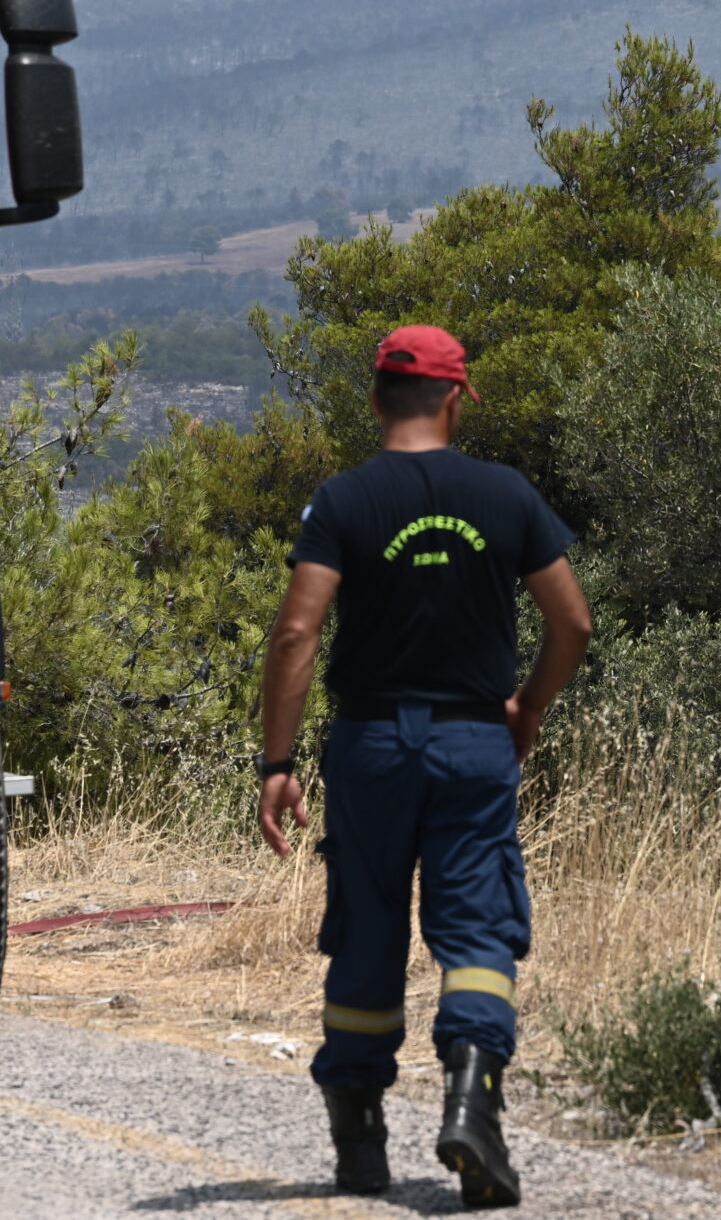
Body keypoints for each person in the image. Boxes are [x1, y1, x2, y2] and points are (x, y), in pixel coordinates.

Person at [254, 324, 593, 1208]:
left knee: (365, 926)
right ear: (454, 399)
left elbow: (297, 632)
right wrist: (527, 707)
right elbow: (574, 623)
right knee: (478, 928)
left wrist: (277, 761)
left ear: (375, 399)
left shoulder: (344, 500)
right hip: (474, 742)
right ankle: (472, 1102)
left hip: (370, 746)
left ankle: (359, 1141)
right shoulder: (506, 494)